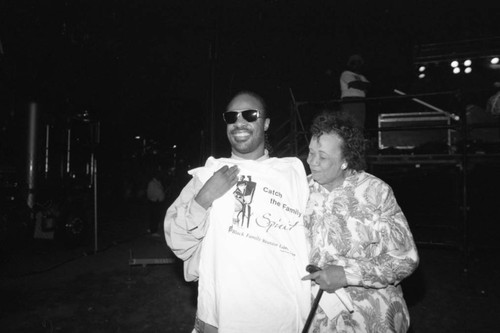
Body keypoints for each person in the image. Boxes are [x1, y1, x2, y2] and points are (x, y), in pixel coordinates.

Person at [164, 91, 312, 333]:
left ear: (265, 123)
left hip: (282, 320)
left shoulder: (291, 174)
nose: (239, 122)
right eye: (232, 117)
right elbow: (178, 241)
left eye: (250, 115)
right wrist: (204, 198)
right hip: (222, 319)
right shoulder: (207, 175)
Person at [301, 110, 419, 332]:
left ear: (345, 161)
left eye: (323, 156)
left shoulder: (376, 193)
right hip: (317, 321)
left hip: (370, 319)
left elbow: (406, 258)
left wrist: (348, 274)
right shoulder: (300, 190)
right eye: (310, 152)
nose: (312, 162)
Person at [339, 54, 370, 129]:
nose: (357, 65)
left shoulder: (361, 76)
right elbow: (354, 84)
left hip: (361, 101)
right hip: (350, 101)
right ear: (350, 64)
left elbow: (369, 86)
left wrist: (360, 85)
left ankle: (358, 140)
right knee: (349, 124)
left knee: (360, 124)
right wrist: (362, 85)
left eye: (359, 63)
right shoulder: (346, 73)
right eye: (355, 62)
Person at [146, 168, 166, 236]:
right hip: (154, 202)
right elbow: (149, 193)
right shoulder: (152, 183)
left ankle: (152, 228)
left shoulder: (158, 182)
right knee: (154, 216)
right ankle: (153, 231)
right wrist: (155, 198)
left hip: (159, 202)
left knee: (156, 216)